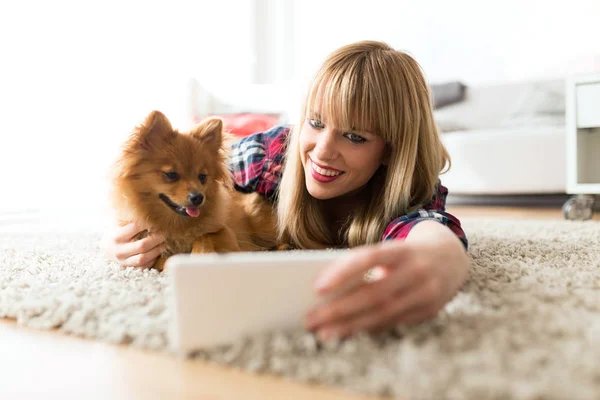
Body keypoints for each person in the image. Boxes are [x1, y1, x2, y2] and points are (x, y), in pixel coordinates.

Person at [102, 40, 471, 342]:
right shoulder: (274, 155)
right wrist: (117, 239)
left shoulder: (405, 188)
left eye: (355, 136)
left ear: (390, 149)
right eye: (316, 122)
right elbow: (169, 183)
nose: (322, 150)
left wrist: (443, 259)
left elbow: (430, 230)